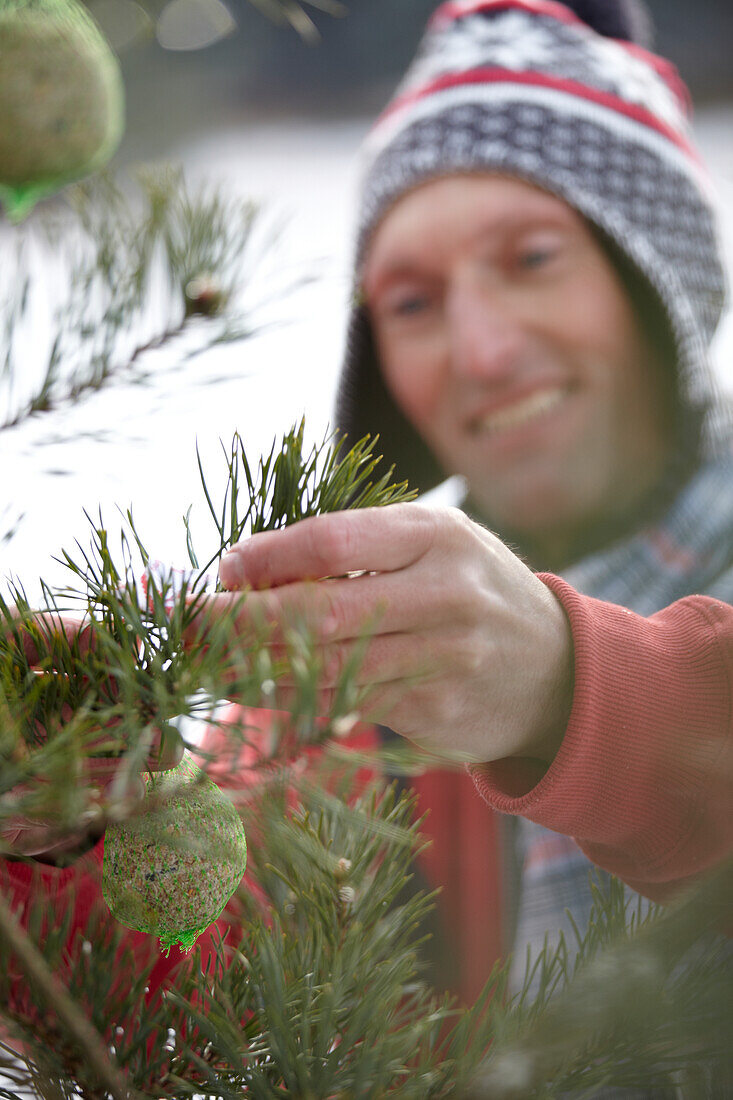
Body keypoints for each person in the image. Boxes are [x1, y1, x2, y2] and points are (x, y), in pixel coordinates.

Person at [203, 0, 733, 1010]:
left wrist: (569, 693)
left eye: (532, 258)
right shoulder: (357, 657)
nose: (481, 350)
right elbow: (199, 986)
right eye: (410, 301)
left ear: (656, 276)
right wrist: (74, 828)